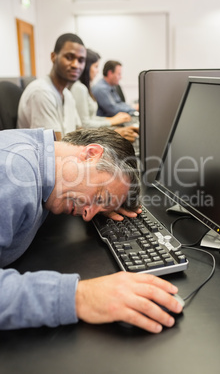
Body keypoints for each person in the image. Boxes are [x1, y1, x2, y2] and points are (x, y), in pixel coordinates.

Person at [0, 127, 183, 332]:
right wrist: (81, 297)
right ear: (91, 154)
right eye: (99, 197)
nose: (88, 215)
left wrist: (102, 202)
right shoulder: (15, 173)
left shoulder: (42, 160)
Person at [17, 33, 86, 141]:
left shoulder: (67, 95)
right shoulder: (41, 92)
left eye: (81, 60)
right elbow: (54, 148)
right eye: (69, 57)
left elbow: (80, 134)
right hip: (48, 157)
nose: (76, 65)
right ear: (53, 57)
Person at [70, 49, 139, 143]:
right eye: (95, 67)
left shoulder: (85, 87)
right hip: (88, 138)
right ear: (87, 67)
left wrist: (111, 120)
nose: (97, 71)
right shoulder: (81, 88)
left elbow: (91, 117)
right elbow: (85, 124)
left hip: (93, 132)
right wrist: (112, 122)